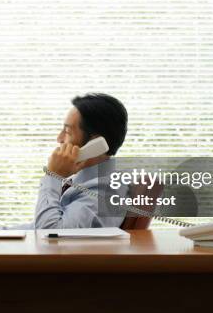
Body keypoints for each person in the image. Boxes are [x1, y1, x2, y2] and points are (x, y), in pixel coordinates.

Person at [8, 93, 129, 229]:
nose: (59, 139)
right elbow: (38, 228)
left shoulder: (105, 192)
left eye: (67, 131)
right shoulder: (83, 182)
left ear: (96, 144)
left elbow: (51, 234)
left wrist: (53, 176)